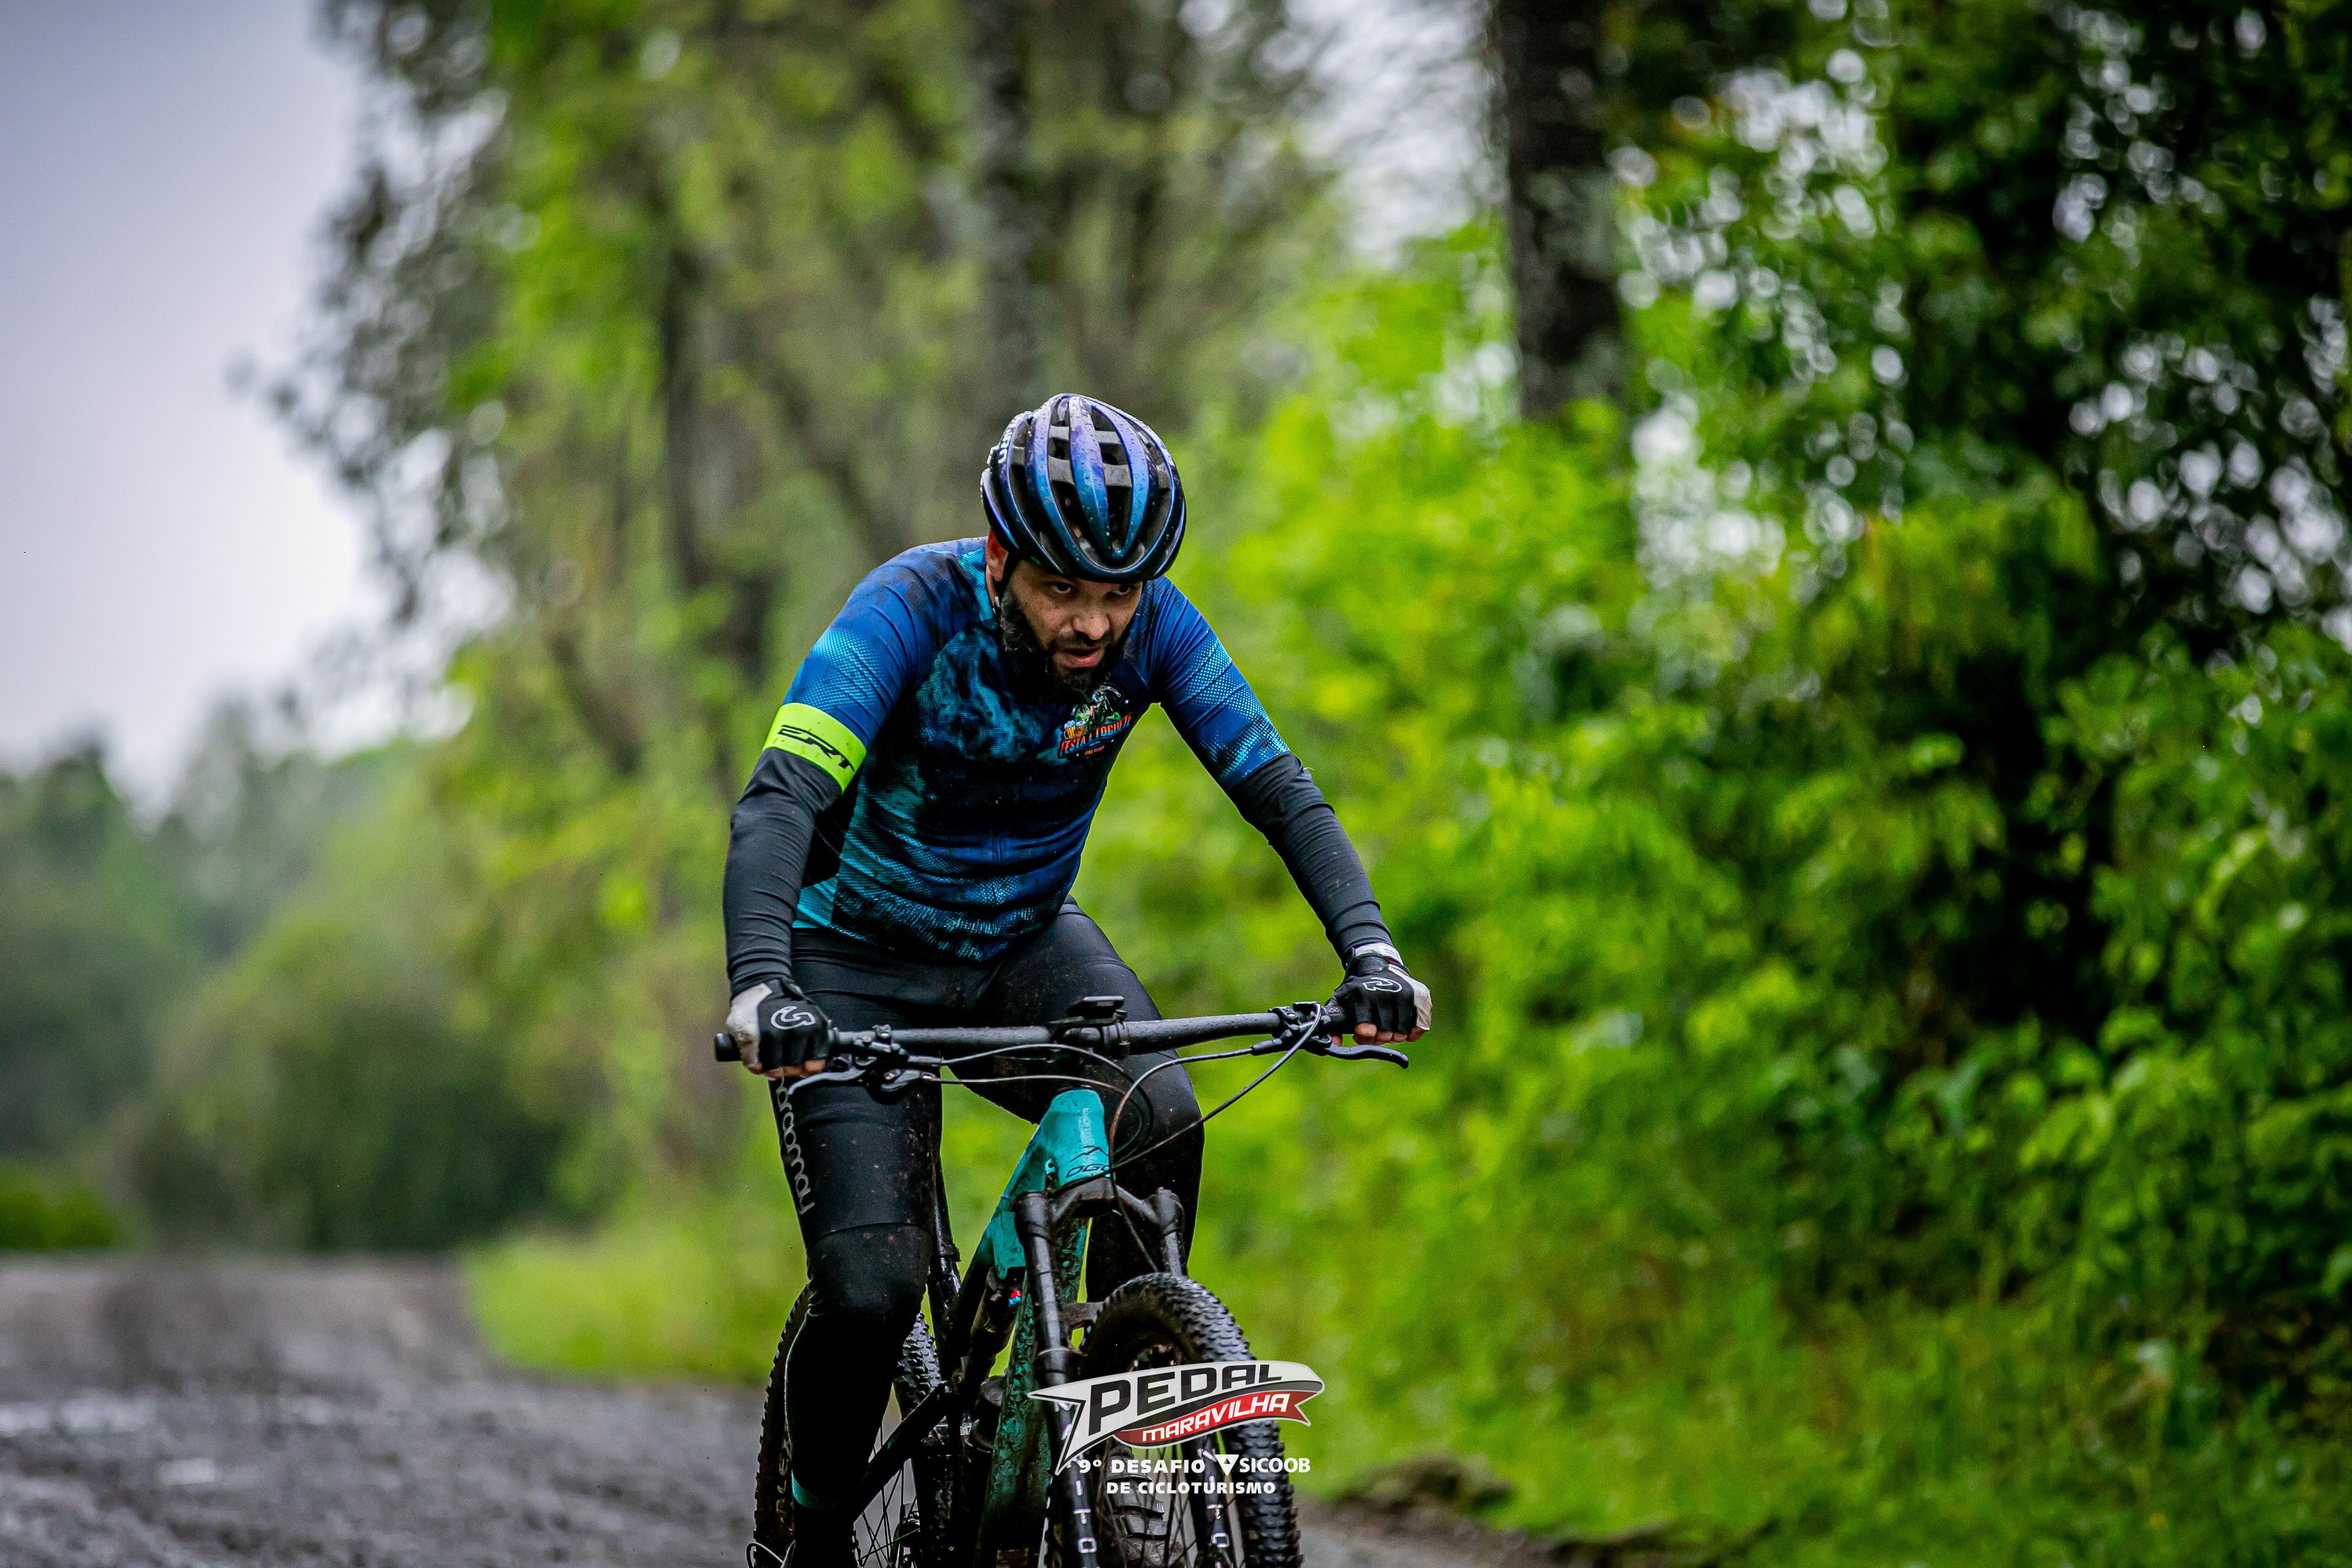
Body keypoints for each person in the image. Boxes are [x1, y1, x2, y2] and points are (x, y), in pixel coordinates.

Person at [722, 393, 1429, 1568]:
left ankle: (1098, 1424)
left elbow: (1278, 788)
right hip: (849, 963)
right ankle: (811, 1535)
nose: (1094, 622)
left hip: (1022, 943)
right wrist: (762, 984)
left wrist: (1372, 954)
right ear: (1001, 559)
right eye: (1063, 590)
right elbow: (781, 798)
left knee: (1161, 1116)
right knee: (872, 1289)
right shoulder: (908, 610)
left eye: (1118, 594)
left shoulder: (1156, 630)